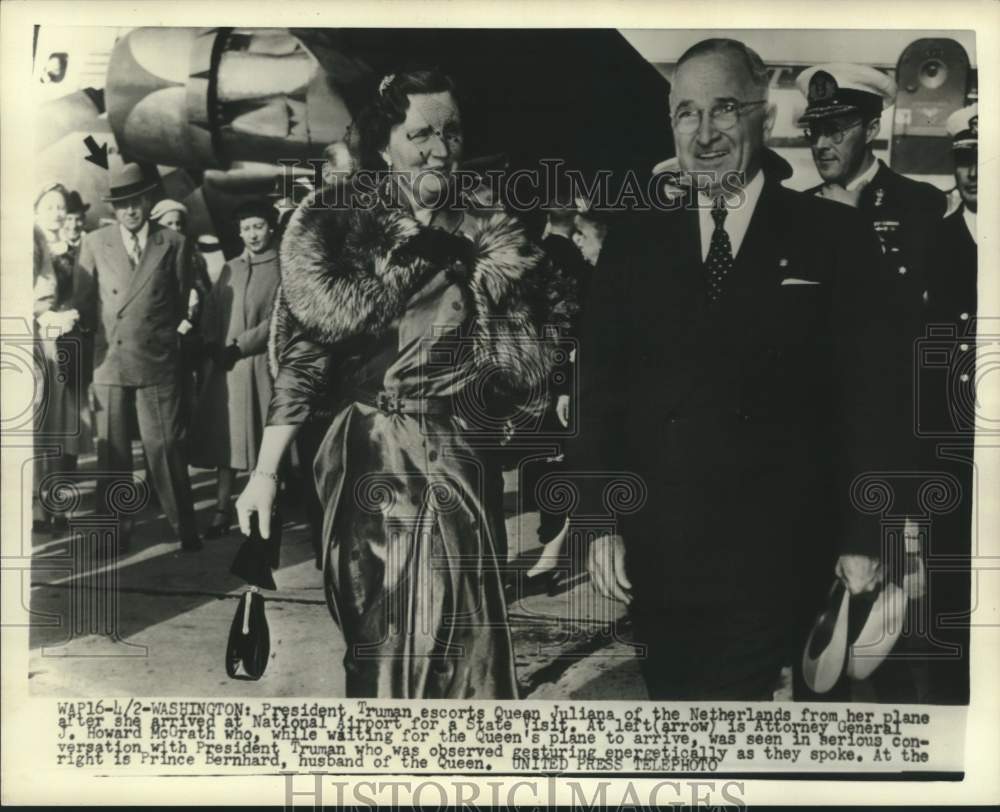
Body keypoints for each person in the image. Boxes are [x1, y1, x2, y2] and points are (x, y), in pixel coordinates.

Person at [573, 38, 911, 700]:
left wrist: (866, 532)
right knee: (679, 712)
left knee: (749, 720)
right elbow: (596, 391)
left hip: (784, 550)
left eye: (724, 109)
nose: (704, 135)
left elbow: (873, 396)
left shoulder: (830, 238)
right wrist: (597, 516)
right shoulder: (636, 244)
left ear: (762, 115)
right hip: (661, 552)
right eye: (687, 113)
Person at [236, 68, 571, 698]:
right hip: (365, 456)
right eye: (421, 134)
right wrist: (263, 474)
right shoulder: (339, 225)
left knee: (463, 630)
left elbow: (525, 358)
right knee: (382, 637)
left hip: (457, 458)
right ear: (384, 142)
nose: (441, 149)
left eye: (452, 131)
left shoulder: (487, 229)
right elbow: (304, 362)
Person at [72, 163, 201, 552]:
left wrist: (166, 344)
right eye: (122, 204)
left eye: (137, 201)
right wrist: (95, 355)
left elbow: (180, 302)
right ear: (114, 208)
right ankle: (115, 532)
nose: (130, 210)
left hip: (156, 360)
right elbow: (84, 304)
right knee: (112, 452)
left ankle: (184, 528)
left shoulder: (173, 243)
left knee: (164, 446)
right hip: (110, 361)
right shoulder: (95, 242)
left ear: (149, 201)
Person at [797, 63, 946, 336]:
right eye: (815, 131)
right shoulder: (802, 207)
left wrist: (853, 225)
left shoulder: (919, 202)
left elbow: (911, 308)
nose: (820, 145)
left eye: (834, 131)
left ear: (871, 129)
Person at [914, 103, 978, 704]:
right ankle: (950, 704)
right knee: (950, 580)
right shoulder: (935, 239)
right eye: (964, 159)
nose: (976, 171)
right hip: (953, 447)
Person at [190, 200, 281, 538]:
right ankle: (220, 507)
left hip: (259, 365)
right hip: (226, 370)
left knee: (261, 443)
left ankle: (265, 507)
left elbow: (278, 318)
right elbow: (213, 309)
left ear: (270, 227)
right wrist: (213, 343)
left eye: (258, 226)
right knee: (225, 446)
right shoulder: (230, 267)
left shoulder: (282, 267)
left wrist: (240, 345)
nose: (252, 234)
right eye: (246, 228)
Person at [32, 183, 85, 532]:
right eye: (49, 206)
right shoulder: (28, 244)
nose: (57, 213)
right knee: (36, 425)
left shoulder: (75, 249)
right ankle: (37, 505)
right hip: (33, 342)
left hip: (65, 343)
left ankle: (59, 501)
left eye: (61, 207)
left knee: (63, 424)